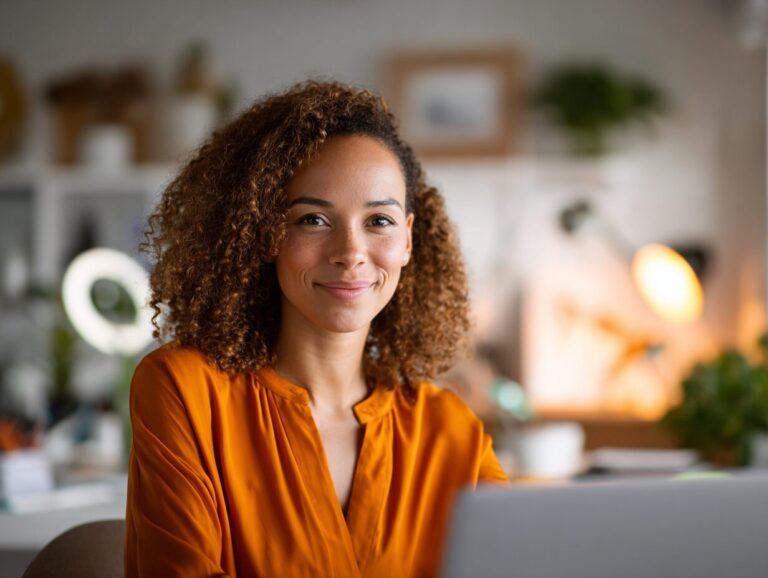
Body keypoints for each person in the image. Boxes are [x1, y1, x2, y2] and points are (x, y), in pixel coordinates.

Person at [125, 80, 509, 578]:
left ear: (408, 241)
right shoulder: (184, 390)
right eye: (312, 219)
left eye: (379, 221)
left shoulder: (450, 430)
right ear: (264, 233)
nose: (350, 252)